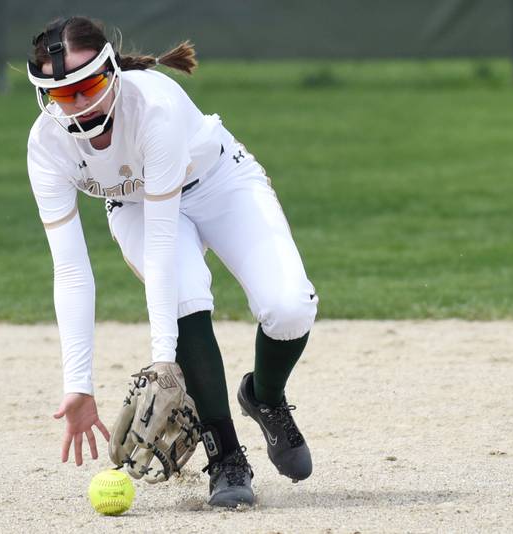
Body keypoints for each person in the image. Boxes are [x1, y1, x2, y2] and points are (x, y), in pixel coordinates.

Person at [25, 16, 319, 508]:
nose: (78, 105)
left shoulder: (152, 109)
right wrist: (78, 384)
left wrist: (163, 361)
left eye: (88, 86)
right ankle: (226, 457)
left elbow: (162, 243)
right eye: (61, 94)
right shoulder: (46, 145)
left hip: (219, 181)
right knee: (184, 297)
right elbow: (71, 270)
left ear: (111, 72)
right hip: (136, 204)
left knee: (290, 307)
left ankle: (265, 396)